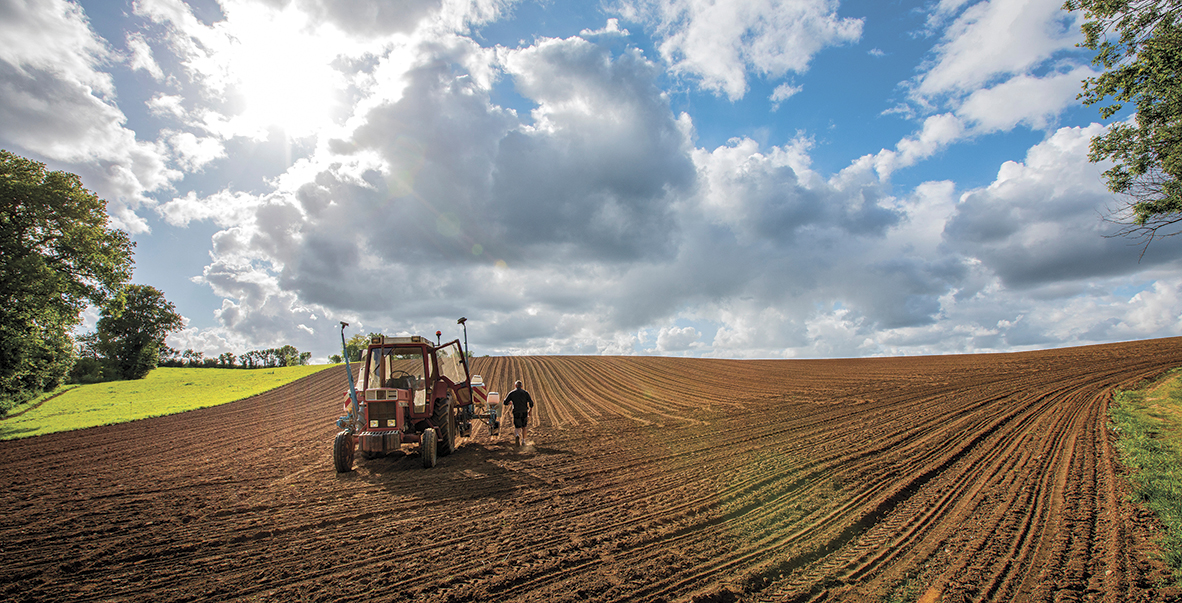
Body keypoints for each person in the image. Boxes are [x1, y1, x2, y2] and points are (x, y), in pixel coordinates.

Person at [503, 379, 534, 446]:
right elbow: (531, 402)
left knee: (517, 426)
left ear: (515, 386)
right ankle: (523, 441)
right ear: (522, 386)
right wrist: (530, 410)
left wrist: (510, 403)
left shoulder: (512, 393)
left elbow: (505, 402)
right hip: (524, 411)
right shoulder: (525, 393)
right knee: (524, 427)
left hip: (516, 411)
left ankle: (517, 435)